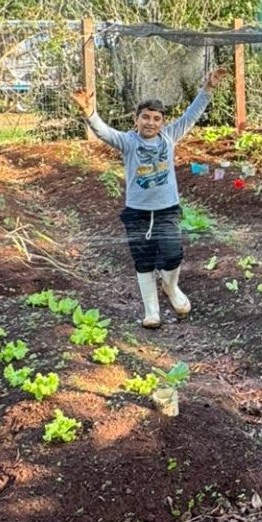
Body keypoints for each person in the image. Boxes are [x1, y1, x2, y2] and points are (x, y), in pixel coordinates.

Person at [71, 64, 226, 328]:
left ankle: (171, 288)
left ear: (162, 122)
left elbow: (192, 114)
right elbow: (104, 132)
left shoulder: (169, 137)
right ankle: (151, 312)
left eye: (156, 118)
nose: (150, 122)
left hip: (167, 209)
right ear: (136, 119)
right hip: (137, 213)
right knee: (143, 261)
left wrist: (208, 87)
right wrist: (89, 113)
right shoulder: (128, 142)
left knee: (173, 255)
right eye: (145, 117)